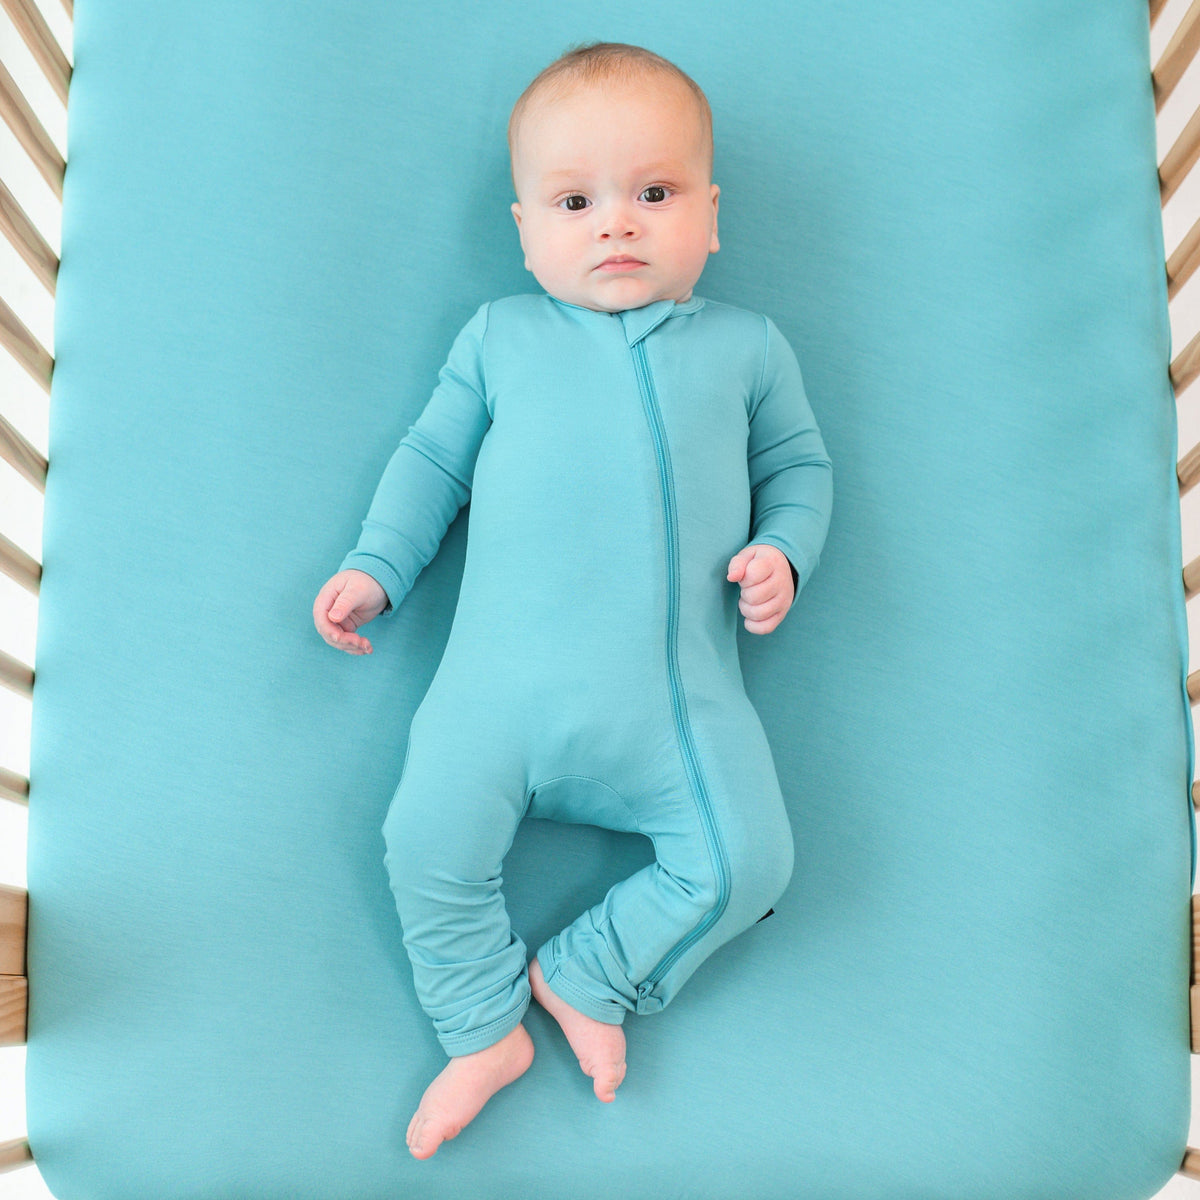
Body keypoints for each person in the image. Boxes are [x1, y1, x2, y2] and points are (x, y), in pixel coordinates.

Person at [312, 42, 833, 1161]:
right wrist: (377, 567)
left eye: (655, 194)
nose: (617, 225)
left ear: (712, 215)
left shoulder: (745, 347)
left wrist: (784, 550)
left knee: (752, 862)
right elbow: (432, 464)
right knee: (422, 839)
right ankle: (480, 1030)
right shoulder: (501, 338)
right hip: (494, 702)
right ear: (523, 229)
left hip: (681, 711)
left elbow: (801, 468)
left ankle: (587, 969)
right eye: (575, 201)